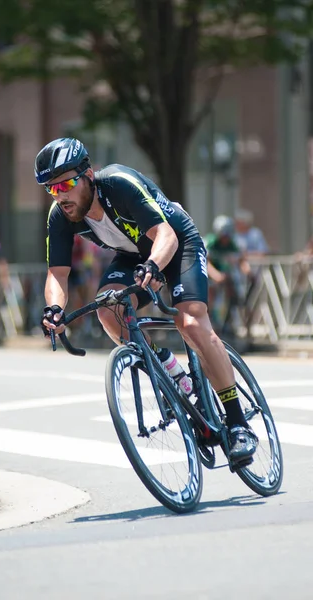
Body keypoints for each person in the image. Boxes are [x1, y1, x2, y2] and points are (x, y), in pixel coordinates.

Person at [36, 137, 258, 465]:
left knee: (190, 323)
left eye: (67, 183)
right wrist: (54, 309)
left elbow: (165, 235)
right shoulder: (61, 216)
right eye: (51, 189)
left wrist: (154, 265)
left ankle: (238, 423)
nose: (61, 195)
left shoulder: (118, 185)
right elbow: (57, 274)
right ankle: (169, 370)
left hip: (176, 243)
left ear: (88, 174)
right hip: (134, 256)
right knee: (108, 310)